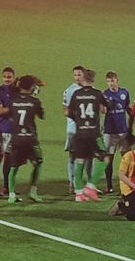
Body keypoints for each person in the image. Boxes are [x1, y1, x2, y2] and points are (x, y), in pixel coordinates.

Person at [5, 74, 45, 203]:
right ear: (32, 87)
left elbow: (11, 117)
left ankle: (11, 194)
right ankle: (33, 191)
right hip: (30, 139)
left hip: (16, 138)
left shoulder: (13, 101)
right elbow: (42, 115)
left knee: (14, 167)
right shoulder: (35, 101)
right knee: (38, 163)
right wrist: (34, 97)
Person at [67, 68, 105, 202]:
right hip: (93, 133)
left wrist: (79, 121)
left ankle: (79, 194)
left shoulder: (76, 94)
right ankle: (90, 185)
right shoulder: (97, 93)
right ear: (93, 79)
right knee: (104, 158)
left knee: (80, 161)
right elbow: (106, 107)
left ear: (83, 78)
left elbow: (68, 112)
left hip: (80, 133)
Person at [101, 71, 132, 193]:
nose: (110, 84)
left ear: (117, 80)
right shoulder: (105, 94)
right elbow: (102, 111)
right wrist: (106, 106)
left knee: (126, 159)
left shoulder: (124, 92)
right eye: (108, 81)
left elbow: (128, 108)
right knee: (109, 159)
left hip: (123, 131)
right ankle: (109, 186)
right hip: (109, 131)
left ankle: (127, 184)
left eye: (112, 81)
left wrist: (134, 122)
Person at [0, 67, 16, 196]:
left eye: (9, 77)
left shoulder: (17, 91)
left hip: (11, 130)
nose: (7, 79)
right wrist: (14, 107)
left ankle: (6, 187)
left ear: (13, 77)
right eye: (5, 77)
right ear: (2, 77)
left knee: (9, 159)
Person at [61, 65, 84, 194]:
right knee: (72, 155)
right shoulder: (69, 90)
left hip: (86, 129)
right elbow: (65, 110)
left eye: (79, 74)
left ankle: (82, 183)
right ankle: (71, 181)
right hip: (73, 128)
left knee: (87, 157)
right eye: (75, 74)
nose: (77, 77)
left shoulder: (89, 89)